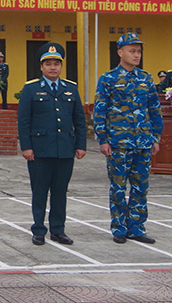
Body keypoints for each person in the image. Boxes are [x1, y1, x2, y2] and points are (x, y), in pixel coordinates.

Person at [94, 32, 163, 244]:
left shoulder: (146, 79)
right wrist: (103, 139)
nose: (136, 55)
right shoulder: (108, 79)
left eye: (139, 51)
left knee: (140, 187)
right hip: (118, 144)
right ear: (120, 52)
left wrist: (155, 138)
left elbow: (154, 109)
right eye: (132, 51)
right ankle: (119, 228)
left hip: (142, 142)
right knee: (118, 187)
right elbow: (100, 111)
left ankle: (137, 227)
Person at [18, 43, 86, 246]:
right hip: (40, 150)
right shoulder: (31, 89)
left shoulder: (70, 89)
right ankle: (38, 229)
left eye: (56, 64)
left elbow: (79, 119)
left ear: (61, 66)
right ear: (41, 67)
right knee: (39, 191)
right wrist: (26, 147)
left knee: (59, 192)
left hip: (64, 149)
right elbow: (24, 121)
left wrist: (80, 145)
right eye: (48, 64)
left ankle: (58, 229)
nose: (53, 67)